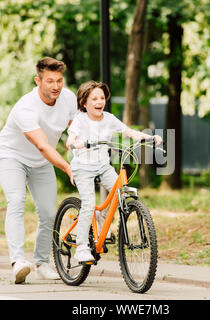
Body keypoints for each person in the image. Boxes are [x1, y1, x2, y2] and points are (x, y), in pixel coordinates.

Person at [0, 57, 77, 284]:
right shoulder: (26, 107)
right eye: (50, 81)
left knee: (49, 213)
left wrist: (77, 141)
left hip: (40, 163)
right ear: (37, 81)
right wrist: (68, 167)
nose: (56, 86)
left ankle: (42, 263)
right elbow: (42, 145)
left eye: (59, 81)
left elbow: (78, 126)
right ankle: (18, 262)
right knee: (16, 201)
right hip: (13, 157)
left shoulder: (68, 98)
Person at [66, 81, 162, 263]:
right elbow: (70, 138)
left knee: (121, 192)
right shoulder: (80, 119)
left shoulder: (109, 119)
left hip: (102, 165)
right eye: (94, 98)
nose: (99, 101)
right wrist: (75, 142)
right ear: (84, 103)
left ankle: (102, 217)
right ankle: (82, 248)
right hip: (83, 167)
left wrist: (149, 137)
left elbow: (129, 132)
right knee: (89, 202)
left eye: (102, 98)